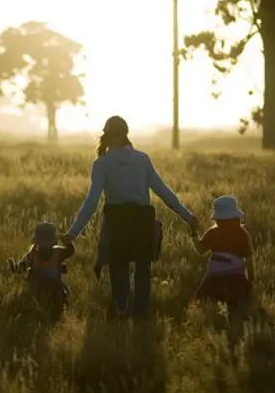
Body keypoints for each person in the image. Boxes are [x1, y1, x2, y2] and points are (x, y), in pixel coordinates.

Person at [62, 115, 197, 320]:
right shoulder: (142, 159)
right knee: (144, 269)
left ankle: (121, 312)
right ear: (125, 135)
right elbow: (164, 192)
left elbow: (91, 203)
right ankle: (141, 316)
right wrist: (188, 217)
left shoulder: (102, 164)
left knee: (119, 269)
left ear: (107, 135)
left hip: (117, 221)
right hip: (143, 220)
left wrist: (72, 234)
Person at [190, 195, 256, 315]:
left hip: (214, 279)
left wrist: (194, 234)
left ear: (217, 219)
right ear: (236, 217)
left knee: (202, 301)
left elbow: (201, 250)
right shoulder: (243, 235)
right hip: (237, 279)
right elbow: (249, 260)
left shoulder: (213, 233)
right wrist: (250, 280)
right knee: (241, 303)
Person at [8, 222, 74, 318]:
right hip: (37, 287)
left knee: (60, 294)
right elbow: (21, 268)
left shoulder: (37, 253)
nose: (45, 249)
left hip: (51, 287)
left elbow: (21, 269)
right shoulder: (39, 253)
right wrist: (66, 240)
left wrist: (15, 267)